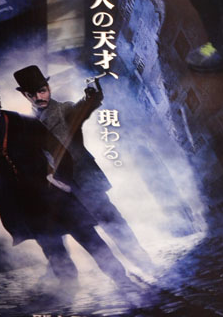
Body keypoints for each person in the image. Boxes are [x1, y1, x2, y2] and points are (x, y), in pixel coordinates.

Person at [0, 83, 135, 289]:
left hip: (55, 194)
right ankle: (68, 289)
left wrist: (62, 181)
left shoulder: (24, 122)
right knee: (53, 249)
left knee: (89, 239)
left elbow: (59, 150)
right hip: (29, 204)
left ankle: (122, 280)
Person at [13, 65, 150, 270]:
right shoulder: (29, 124)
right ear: (25, 95)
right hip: (63, 189)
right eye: (31, 94)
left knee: (113, 223)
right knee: (89, 235)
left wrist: (91, 97)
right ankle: (117, 273)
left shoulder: (64, 109)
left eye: (41, 91)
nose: (38, 97)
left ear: (48, 88)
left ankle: (143, 263)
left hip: (85, 179)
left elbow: (82, 108)